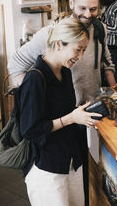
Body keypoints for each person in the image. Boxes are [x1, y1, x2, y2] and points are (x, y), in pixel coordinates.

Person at [18, 17, 102, 206]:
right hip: (47, 167)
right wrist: (71, 118)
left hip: (71, 159)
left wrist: (81, 113)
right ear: (58, 44)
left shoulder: (64, 72)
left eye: (83, 50)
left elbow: (62, 110)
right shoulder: (35, 79)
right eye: (77, 49)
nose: (80, 56)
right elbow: (30, 130)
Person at [8, 0, 116, 104]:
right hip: (64, 114)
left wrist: (115, 95)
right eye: (82, 8)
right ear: (71, 3)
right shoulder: (52, 33)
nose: (88, 14)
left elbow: (107, 63)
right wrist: (38, 98)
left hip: (93, 108)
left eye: (93, 9)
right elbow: (15, 65)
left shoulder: (100, 29)